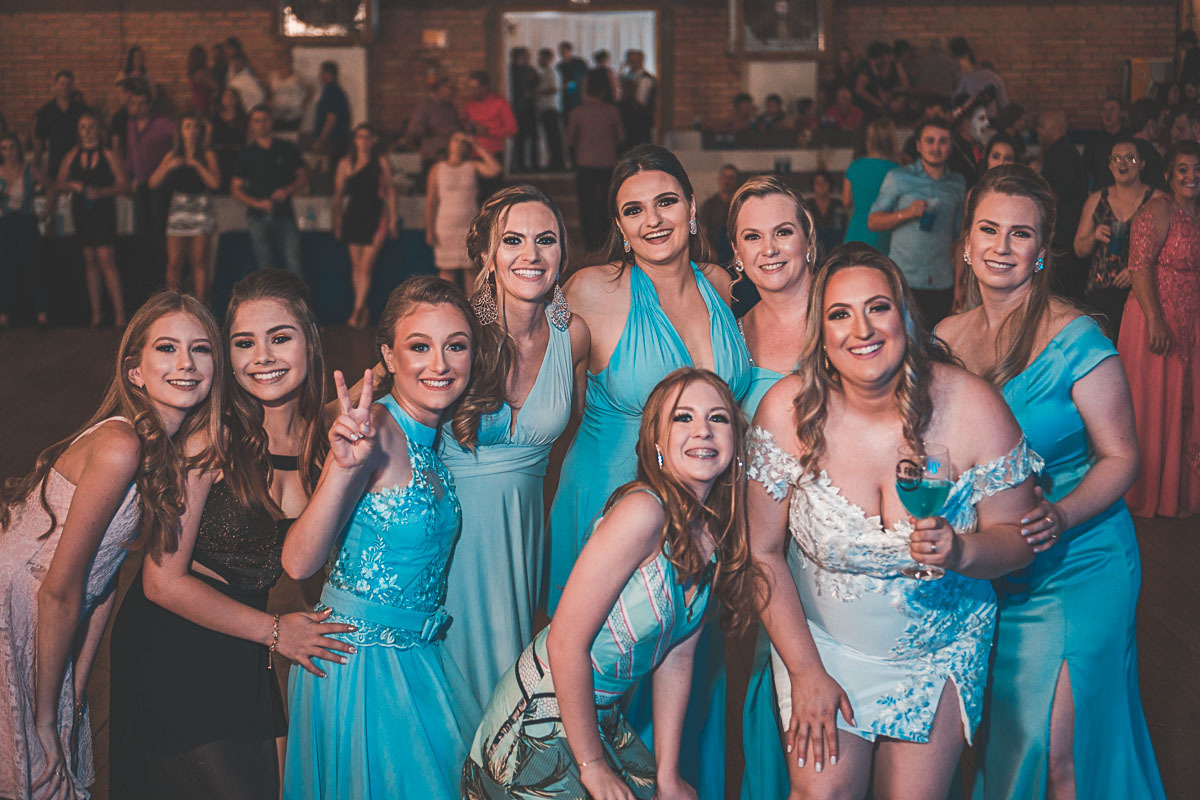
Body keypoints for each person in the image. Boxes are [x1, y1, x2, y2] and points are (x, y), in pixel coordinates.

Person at [748, 242, 1037, 800]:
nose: (862, 330)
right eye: (840, 314)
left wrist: (963, 552)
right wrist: (806, 672)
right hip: (822, 647)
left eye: (877, 307)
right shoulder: (787, 413)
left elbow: (1019, 541)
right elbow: (760, 553)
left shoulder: (971, 406)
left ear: (905, 316)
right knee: (820, 794)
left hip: (938, 649)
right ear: (821, 335)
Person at [936, 164, 1167, 800]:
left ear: (1042, 250)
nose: (1001, 247)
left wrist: (1062, 514)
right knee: (1008, 736)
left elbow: (1121, 457)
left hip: (1078, 557)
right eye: (989, 229)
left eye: (1021, 234)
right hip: (988, 567)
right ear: (967, 241)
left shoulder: (1077, 339)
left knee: (1057, 744)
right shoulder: (944, 340)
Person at [548, 144, 750, 799]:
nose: (652, 219)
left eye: (666, 202)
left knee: (682, 670)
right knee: (597, 678)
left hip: (700, 513)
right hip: (610, 505)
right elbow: (527, 369)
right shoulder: (591, 289)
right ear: (619, 223)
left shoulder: (723, 286)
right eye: (633, 210)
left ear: (692, 208)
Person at [108, 272, 351, 799]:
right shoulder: (212, 437)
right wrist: (277, 632)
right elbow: (161, 582)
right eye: (244, 343)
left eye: (279, 337)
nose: (262, 356)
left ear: (310, 340)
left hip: (249, 649)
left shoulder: (325, 438)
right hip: (175, 647)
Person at [464, 367, 757, 800]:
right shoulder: (643, 511)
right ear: (656, 441)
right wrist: (592, 766)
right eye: (683, 417)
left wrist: (669, 774)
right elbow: (565, 642)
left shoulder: (711, 534)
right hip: (541, 715)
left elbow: (676, 656)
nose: (703, 430)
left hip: (603, 715)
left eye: (718, 418)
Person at [0, 291, 222, 800]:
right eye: (166, 348)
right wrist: (45, 720)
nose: (186, 363)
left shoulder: (161, 451)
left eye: (200, 348)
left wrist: (75, 697)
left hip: (49, 626)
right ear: (135, 372)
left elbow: (102, 582)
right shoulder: (121, 446)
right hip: (19, 614)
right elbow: (59, 590)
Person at [281, 276, 482, 799]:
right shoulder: (374, 427)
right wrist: (343, 469)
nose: (439, 364)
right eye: (420, 347)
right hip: (361, 668)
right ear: (389, 357)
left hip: (417, 656)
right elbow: (299, 563)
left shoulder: (430, 441)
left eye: (455, 346)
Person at [440, 186, 589, 708]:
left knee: (508, 700)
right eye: (513, 241)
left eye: (545, 240)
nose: (531, 255)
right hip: (448, 542)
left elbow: (591, 430)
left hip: (523, 541)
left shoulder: (573, 337)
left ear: (562, 253)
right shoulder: (454, 330)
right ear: (487, 256)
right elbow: (371, 408)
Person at [723, 177, 818, 800]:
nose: (770, 249)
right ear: (736, 254)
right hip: (767, 543)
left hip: (851, 536)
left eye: (783, 232)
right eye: (752, 237)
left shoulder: (848, 314)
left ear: (809, 238)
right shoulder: (732, 337)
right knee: (770, 682)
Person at [1118, 140, 1200, 518]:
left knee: (1188, 404)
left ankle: (1181, 493)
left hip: (1192, 321)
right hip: (1155, 317)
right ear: (1168, 175)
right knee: (1154, 403)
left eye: (1197, 169)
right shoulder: (1157, 211)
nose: (1191, 176)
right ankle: (1149, 492)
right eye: (1183, 169)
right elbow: (1139, 267)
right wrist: (1155, 319)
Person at [868, 116, 967, 325]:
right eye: (930, 141)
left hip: (942, 281)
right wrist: (907, 213)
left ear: (950, 147)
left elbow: (959, 239)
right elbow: (873, 221)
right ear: (919, 146)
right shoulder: (898, 177)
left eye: (943, 141)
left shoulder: (957, 183)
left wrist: (959, 284)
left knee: (937, 339)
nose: (936, 147)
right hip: (904, 279)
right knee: (903, 339)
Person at [1074, 136, 1159, 338]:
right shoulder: (1097, 199)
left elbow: (1168, 250)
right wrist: (1094, 236)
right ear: (1110, 166)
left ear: (1142, 163)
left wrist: (1137, 272)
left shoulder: (1156, 200)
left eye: (1130, 158)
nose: (1122, 164)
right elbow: (1079, 249)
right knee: (1101, 348)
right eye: (1116, 159)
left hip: (1141, 292)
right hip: (1100, 291)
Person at [55, 111, 130, 328]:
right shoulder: (71, 156)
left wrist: (103, 192)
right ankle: (96, 314)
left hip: (103, 211)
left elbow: (124, 184)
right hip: (82, 212)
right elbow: (58, 184)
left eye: (91, 126)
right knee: (89, 259)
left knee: (106, 258)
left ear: (99, 130)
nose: (87, 131)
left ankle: (120, 313)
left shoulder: (108, 155)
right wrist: (72, 185)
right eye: (83, 127)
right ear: (78, 132)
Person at [149, 113, 221, 302]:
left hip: (200, 208)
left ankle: (202, 304)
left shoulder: (207, 155)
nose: (191, 131)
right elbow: (153, 182)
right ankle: (171, 303)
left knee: (199, 260)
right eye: (187, 127)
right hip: (178, 209)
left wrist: (196, 164)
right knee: (174, 262)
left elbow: (215, 183)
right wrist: (168, 167)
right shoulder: (172, 155)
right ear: (180, 131)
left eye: (195, 127)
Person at [334, 123, 398, 328]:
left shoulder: (380, 162)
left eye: (367, 137)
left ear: (373, 140)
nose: (363, 141)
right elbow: (338, 195)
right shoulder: (346, 163)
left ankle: (357, 310)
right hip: (353, 216)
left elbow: (390, 191)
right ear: (355, 140)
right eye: (360, 137)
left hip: (375, 216)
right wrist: (337, 221)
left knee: (366, 265)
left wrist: (393, 219)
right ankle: (362, 309)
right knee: (357, 266)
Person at [232, 105, 307, 274]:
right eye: (257, 121)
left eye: (265, 120)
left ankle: (296, 293)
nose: (261, 125)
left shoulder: (287, 148)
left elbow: (302, 176)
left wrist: (287, 190)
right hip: (257, 216)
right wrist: (256, 203)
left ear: (271, 122)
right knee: (264, 264)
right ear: (251, 124)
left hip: (285, 213)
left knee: (293, 260)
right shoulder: (246, 154)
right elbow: (235, 189)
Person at [425, 132, 500, 288]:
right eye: (455, 140)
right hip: (445, 224)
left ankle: (471, 302)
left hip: (469, 224)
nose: (459, 144)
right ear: (449, 143)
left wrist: (476, 145)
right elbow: (431, 201)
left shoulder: (472, 166)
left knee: (470, 269)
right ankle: (447, 301)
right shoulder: (437, 169)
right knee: (447, 269)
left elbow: (495, 169)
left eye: (462, 141)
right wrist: (429, 229)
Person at [568, 70, 625, 253]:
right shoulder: (612, 111)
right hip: (608, 162)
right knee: (606, 203)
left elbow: (570, 139)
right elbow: (621, 138)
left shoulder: (577, 112)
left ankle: (590, 243)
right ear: (603, 91)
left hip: (585, 162)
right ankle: (606, 241)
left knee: (586, 204)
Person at [0, 133, 50, 330]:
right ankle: (4, 315)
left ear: (18, 149)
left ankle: (41, 314)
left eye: (12, 147)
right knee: (6, 268)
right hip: (5, 223)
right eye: (4, 148)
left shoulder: (29, 169)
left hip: (26, 222)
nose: (9, 152)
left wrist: (47, 211)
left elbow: (51, 186)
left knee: (32, 267)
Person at [1037, 110, 1089, 301]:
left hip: (1063, 241)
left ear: (1056, 128)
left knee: (1059, 295)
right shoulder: (1059, 152)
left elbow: (1058, 193)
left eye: (1041, 126)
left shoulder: (1062, 154)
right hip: (1061, 238)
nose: (1038, 130)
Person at [125, 82, 176, 236]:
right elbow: (131, 152)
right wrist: (130, 177)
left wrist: (168, 164)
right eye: (134, 104)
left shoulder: (163, 123)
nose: (138, 107)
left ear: (149, 105)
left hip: (160, 184)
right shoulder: (131, 124)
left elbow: (179, 137)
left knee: (159, 228)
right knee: (141, 229)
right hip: (140, 184)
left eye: (141, 103)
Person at [843, 116, 899, 251]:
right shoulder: (897, 170)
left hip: (856, 232)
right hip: (884, 236)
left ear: (869, 139)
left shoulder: (855, 166)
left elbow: (846, 201)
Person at [463, 70, 517, 197]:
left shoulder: (500, 103)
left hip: (493, 154)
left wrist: (489, 132)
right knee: (475, 194)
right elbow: (464, 125)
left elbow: (512, 129)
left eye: (475, 88)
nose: (472, 91)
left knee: (493, 194)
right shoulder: (469, 104)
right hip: (473, 155)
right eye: (470, 88)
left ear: (485, 87)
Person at [404, 77, 461, 193]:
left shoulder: (450, 107)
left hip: (450, 157)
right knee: (432, 191)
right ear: (440, 88)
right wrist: (436, 131)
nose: (453, 92)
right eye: (450, 88)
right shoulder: (425, 106)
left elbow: (458, 126)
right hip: (432, 157)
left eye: (454, 89)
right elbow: (413, 130)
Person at [35, 69, 88, 181]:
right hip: (55, 163)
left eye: (68, 84)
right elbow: (39, 140)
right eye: (62, 84)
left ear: (72, 86)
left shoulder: (82, 110)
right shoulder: (46, 111)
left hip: (78, 161)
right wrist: (37, 166)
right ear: (55, 86)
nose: (65, 87)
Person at [949, 36, 1007, 116]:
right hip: (990, 115)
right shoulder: (995, 77)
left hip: (971, 115)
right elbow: (1003, 103)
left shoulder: (962, 70)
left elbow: (957, 97)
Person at [699, 164, 740, 269]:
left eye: (731, 177)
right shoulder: (709, 205)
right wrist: (713, 254)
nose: (727, 181)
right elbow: (703, 234)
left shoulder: (740, 204)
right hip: (715, 258)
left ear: (736, 181)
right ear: (719, 179)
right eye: (724, 177)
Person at [1084, 97, 1129, 190]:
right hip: (1101, 192)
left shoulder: (1130, 139)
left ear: (1121, 113)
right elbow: (1086, 171)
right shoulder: (1093, 141)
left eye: (1112, 110)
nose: (1107, 114)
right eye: (1104, 110)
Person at [210, 87, 246, 194]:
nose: (229, 99)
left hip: (238, 153)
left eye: (232, 96)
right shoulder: (215, 117)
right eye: (226, 96)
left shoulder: (243, 118)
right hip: (219, 153)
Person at [312, 61, 350, 161]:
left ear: (328, 74)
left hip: (333, 141)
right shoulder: (334, 90)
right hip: (337, 140)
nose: (319, 76)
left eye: (321, 73)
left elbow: (331, 118)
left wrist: (321, 140)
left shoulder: (331, 91)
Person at [534, 49, 566, 172]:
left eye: (542, 58)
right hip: (545, 108)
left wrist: (537, 92)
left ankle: (558, 163)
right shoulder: (545, 72)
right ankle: (554, 162)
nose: (539, 60)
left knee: (554, 137)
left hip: (551, 108)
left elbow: (554, 89)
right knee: (550, 137)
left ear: (548, 58)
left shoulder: (552, 72)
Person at [509, 48, 539, 173]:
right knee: (520, 137)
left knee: (532, 136)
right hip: (519, 108)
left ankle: (534, 163)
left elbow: (537, 83)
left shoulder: (530, 70)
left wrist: (532, 92)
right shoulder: (512, 70)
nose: (525, 59)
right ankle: (520, 163)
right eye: (522, 57)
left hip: (530, 107)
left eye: (526, 56)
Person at [619, 50, 656, 147]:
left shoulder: (645, 79)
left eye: (630, 61)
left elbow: (640, 101)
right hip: (630, 123)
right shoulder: (629, 76)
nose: (628, 63)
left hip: (640, 123)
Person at [269, 57, 313, 134]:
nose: (283, 64)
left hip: (294, 115)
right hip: (277, 114)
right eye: (281, 61)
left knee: (291, 136)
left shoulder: (297, 76)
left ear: (291, 62)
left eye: (286, 61)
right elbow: (269, 92)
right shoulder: (272, 76)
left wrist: (303, 104)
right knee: (278, 136)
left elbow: (310, 89)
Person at [809, 170, 846, 255]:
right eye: (817, 183)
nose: (821, 186)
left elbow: (841, 229)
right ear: (813, 185)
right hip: (814, 249)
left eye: (824, 183)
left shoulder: (838, 204)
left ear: (829, 184)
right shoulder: (807, 205)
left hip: (835, 248)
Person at [557, 42, 589, 115]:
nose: (562, 53)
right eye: (561, 51)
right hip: (566, 98)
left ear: (570, 51)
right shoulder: (560, 66)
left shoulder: (579, 62)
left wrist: (586, 93)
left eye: (564, 51)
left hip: (579, 96)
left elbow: (586, 78)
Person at [186, 44, 216, 117]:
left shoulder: (192, 72)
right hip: (203, 102)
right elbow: (214, 86)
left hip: (196, 102)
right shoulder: (200, 73)